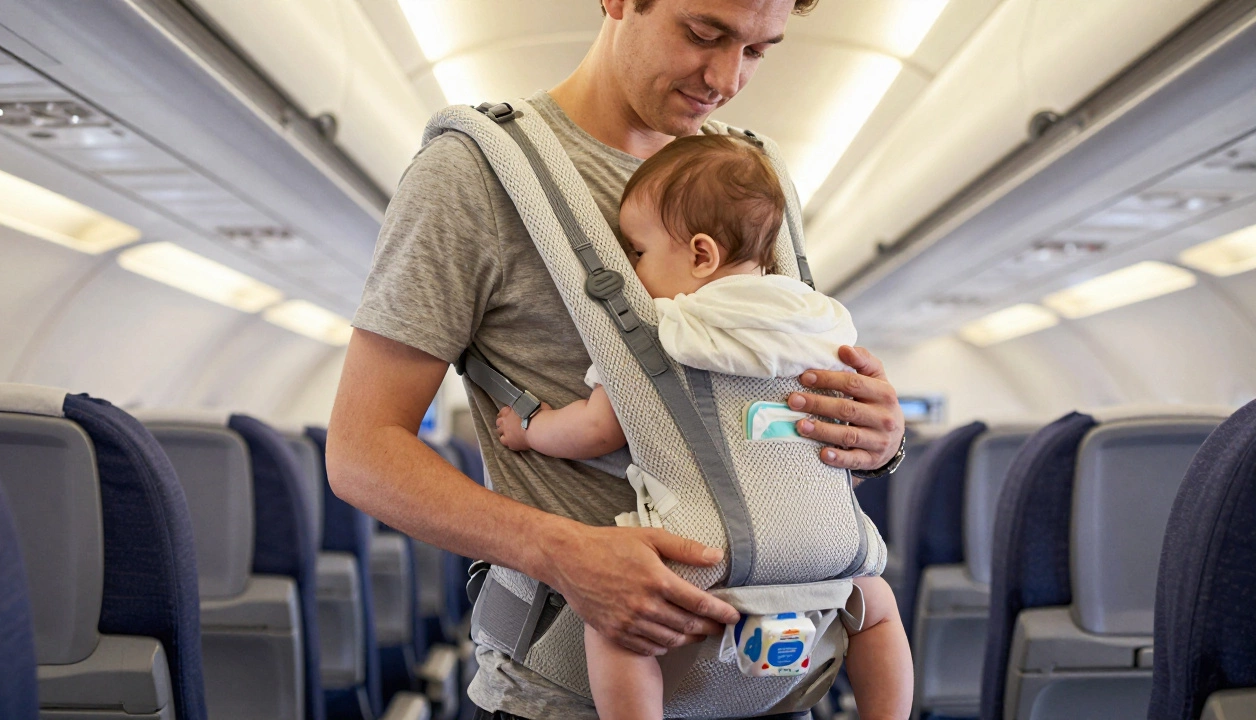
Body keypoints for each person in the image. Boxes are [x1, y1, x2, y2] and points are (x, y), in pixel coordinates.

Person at [327, 1, 907, 718]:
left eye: (759, 50)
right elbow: (360, 451)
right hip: (571, 695)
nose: (725, 77)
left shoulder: (749, 179)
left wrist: (876, 438)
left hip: (778, 680)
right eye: (704, 33)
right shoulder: (471, 176)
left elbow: (767, 411)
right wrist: (558, 550)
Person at [494, 134, 912, 720]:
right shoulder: (820, 325)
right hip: (830, 548)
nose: (634, 270)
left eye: (638, 252)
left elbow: (594, 430)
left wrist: (529, 430)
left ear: (700, 256)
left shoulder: (662, 333)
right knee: (879, 606)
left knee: (615, 629)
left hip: (705, 552)